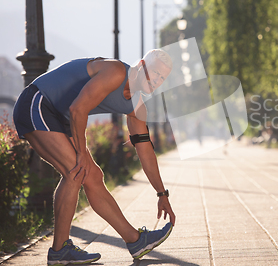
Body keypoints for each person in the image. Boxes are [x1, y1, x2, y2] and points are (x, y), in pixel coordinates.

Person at [13, 49, 176, 265]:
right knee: (76, 171)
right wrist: (81, 153)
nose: (156, 80)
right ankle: (60, 250)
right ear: (141, 64)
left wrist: (161, 193)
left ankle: (136, 241)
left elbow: (145, 151)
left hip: (59, 118)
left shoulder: (137, 107)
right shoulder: (116, 72)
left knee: (93, 177)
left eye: (162, 77)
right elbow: (77, 109)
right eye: (154, 71)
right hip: (38, 103)